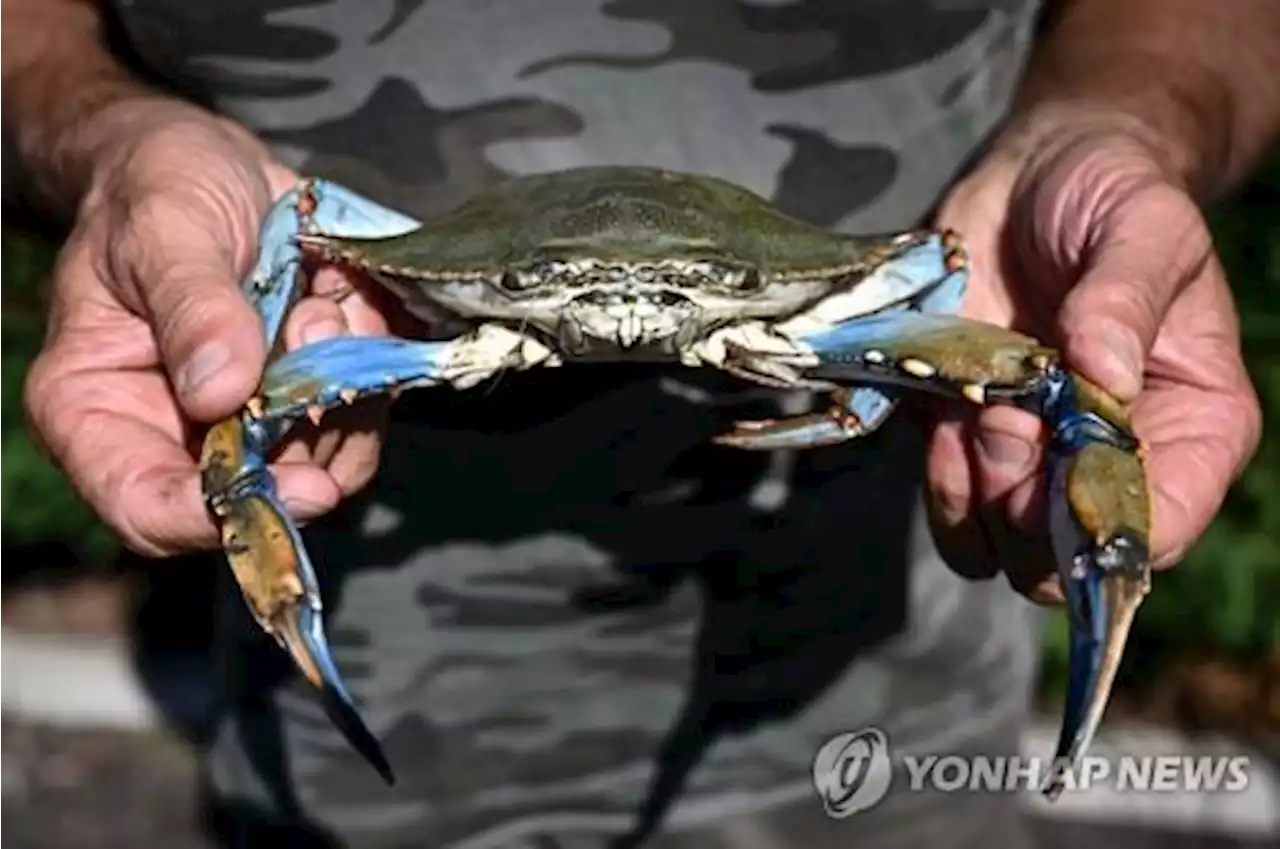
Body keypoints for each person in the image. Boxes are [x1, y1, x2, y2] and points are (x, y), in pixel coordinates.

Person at [3, 0, 1272, 847]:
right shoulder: (370, 266)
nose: (620, 315)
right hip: (340, 766)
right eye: (560, 294)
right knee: (244, 439)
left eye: (677, 297)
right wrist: (107, 136)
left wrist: (1124, 121)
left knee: (1066, 389)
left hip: (875, 737)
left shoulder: (897, 284)